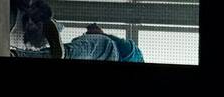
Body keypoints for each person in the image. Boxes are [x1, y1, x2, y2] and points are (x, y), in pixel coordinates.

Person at [12, 21, 145, 63]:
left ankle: (20, 55)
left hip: (106, 49)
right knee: (60, 54)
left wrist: (101, 33)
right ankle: (18, 55)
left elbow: (125, 46)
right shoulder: (136, 57)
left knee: (75, 51)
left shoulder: (135, 54)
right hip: (105, 53)